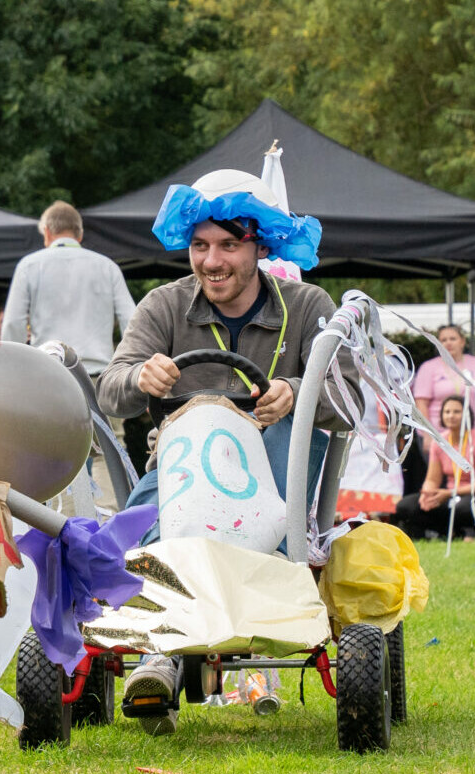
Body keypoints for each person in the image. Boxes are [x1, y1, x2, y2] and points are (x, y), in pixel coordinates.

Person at [95, 157, 340, 726]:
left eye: (228, 245)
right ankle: (158, 652)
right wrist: (139, 378)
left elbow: (351, 392)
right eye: (199, 245)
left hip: (275, 468)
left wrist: (297, 392)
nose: (211, 260)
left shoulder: (307, 308)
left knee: (280, 455)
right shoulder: (162, 304)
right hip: (184, 466)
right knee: (138, 526)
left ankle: (178, 647)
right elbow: (110, 391)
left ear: (260, 246)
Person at [0, 201, 136, 376]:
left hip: (48, 374)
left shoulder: (29, 266)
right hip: (98, 377)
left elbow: (13, 323)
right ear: (80, 235)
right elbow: (131, 320)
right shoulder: (108, 267)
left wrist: (14, 369)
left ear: (47, 232)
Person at [397, 395, 475, 538]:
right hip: (450, 496)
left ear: (467, 414)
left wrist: (449, 493)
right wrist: (427, 494)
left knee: (463, 508)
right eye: (447, 412)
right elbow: (432, 480)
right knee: (406, 506)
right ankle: (448, 533)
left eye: (457, 412)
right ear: (441, 415)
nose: (451, 416)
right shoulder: (440, 441)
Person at [411, 325, 475, 427]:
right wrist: (428, 434)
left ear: (462, 341)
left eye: (453, 339)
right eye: (443, 340)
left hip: (474, 431)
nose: (448, 343)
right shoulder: (428, 367)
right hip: (439, 434)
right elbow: (421, 403)